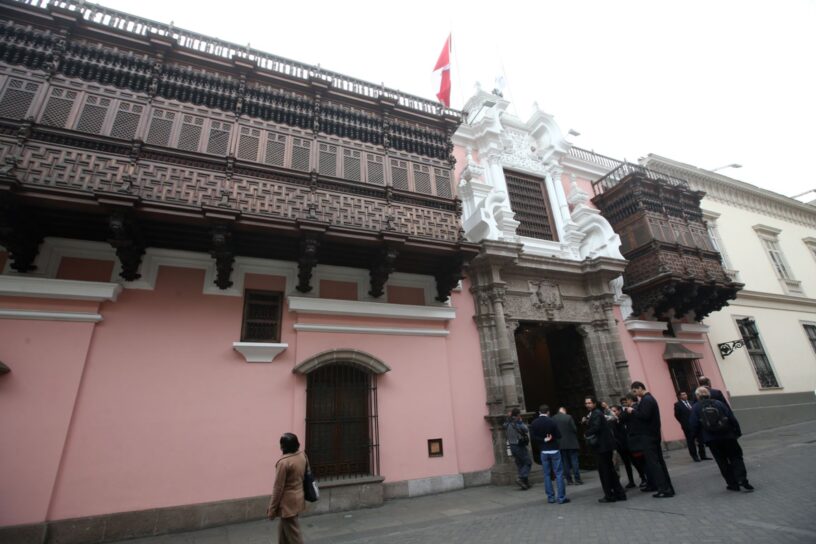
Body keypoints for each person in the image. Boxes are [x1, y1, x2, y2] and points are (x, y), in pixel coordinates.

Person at [689, 386, 754, 492]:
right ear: (708, 394)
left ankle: (732, 484)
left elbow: (693, 424)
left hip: (711, 439)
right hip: (727, 435)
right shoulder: (719, 403)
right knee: (736, 457)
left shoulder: (696, 407)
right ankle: (742, 479)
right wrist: (736, 431)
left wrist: (695, 438)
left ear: (697, 396)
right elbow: (731, 417)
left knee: (722, 461)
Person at [625, 381, 675, 498]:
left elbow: (645, 416)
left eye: (635, 391)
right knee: (658, 462)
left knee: (654, 463)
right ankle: (667, 488)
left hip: (648, 436)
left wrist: (633, 411)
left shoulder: (647, 400)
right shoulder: (647, 399)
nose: (635, 394)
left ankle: (664, 489)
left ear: (640, 388)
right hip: (652, 435)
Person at [267, 433, 308, 544]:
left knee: (294, 536)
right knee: (283, 532)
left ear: (283, 446)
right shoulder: (302, 456)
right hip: (298, 497)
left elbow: (278, 488)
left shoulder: (284, 463)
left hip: (287, 504)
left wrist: (272, 509)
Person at [585, 396, 627, 503]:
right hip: (605, 446)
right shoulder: (596, 413)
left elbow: (596, 427)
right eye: (586, 403)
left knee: (604, 472)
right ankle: (619, 493)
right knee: (610, 471)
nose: (587, 405)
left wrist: (587, 433)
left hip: (602, 447)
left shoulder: (596, 413)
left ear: (594, 403)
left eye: (589, 403)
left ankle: (609, 495)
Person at [530, 404, 570, 504]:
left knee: (547, 474)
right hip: (554, 450)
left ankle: (550, 497)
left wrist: (544, 439)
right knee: (559, 474)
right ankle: (561, 497)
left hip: (544, 451)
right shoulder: (552, 421)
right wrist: (551, 437)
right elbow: (559, 435)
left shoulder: (534, 423)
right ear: (548, 412)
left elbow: (533, 437)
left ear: (539, 412)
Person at [610, 405, 642, 489]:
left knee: (635, 462)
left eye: (614, 411)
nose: (613, 413)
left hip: (627, 444)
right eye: (612, 411)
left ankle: (643, 478)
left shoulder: (622, 418)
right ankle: (631, 481)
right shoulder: (613, 421)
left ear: (619, 411)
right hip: (620, 445)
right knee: (626, 464)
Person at [674, 391, 710, 462]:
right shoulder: (677, 405)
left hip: (696, 424)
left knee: (700, 440)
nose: (685, 395)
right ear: (679, 396)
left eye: (685, 394)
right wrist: (683, 423)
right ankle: (694, 456)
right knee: (691, 441)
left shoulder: (692, 402)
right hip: (687, 426)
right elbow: (677, 416)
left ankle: (703, 455)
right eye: (683, 395)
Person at [504, 407, 533, 490]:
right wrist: (520, 421)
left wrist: (509, 417)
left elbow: (504, 425)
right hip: (519, 445)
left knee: (520, 464)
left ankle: (525, 483)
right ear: (518, 415)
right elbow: (526, 429)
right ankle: (521, 477)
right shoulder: (518, 422)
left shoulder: (507, 423)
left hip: (512, 446)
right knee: (528, 462)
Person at [553, 406, 582, 485]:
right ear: (564, 411)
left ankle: (569, 480)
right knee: (574, 461)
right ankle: (577, 479)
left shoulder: (553, 418)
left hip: (561, 444)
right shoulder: (568, 417)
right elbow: (574, 429)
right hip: (571, 442)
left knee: (565, 462)